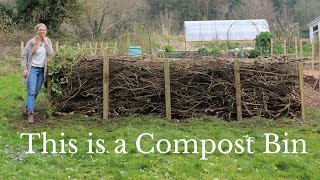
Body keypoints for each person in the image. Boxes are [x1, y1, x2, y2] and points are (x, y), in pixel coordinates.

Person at [22, 23, 54, 124]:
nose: (42, 32)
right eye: (40, 30)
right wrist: (24, 68)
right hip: (32, 69)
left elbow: (51, 54)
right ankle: (30, 113)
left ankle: (27, 107)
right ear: (37, 31)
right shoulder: (31, 42)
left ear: (46, 31)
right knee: (31, 91)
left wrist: (46, 43)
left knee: (35, 92)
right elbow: (24, 55)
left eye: (43, 30)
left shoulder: (47, 41)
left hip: (42, 71)